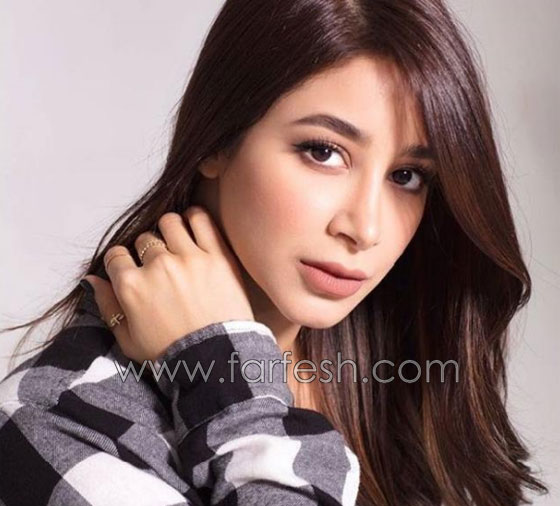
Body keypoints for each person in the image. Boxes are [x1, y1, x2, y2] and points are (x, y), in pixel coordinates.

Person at [0, 0, 550, 504]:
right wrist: (223, 379)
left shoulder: (396, 382)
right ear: (219, 137)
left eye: (406, 176)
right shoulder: (56, 427)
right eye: (323, 151)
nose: (366, 228)